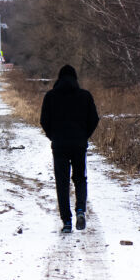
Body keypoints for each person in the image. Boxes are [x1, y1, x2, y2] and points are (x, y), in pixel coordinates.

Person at [39, 64, 99, 233]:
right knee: (80, 178)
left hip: (59, 146)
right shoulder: (85, 96)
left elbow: (44, 120)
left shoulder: (50, 97)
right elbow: (94, 119)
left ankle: (66, 222)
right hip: (79, 144)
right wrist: (83, 136)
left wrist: (54, 137)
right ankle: (80, 210)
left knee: (62, 183)